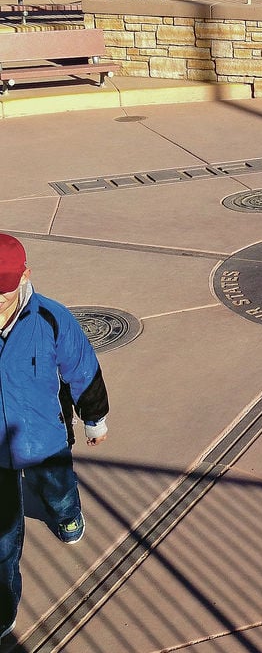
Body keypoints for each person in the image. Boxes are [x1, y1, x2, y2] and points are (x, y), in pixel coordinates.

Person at [0, 234, 109, 641]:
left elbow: (82, 367)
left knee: (59, 490)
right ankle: (2, 601)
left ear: (25, 275)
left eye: (5, 290)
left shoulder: (50, 317)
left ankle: (66, 515)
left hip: (45, 437)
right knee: (0, 536)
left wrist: (94, 418)